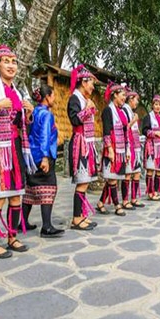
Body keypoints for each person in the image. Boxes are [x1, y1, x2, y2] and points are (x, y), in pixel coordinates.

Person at [0, 45, 36, 258]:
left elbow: (22, 124)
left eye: (14, 62)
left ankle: (12, 237)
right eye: (6, 61)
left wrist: (27, 113)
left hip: (16, 146)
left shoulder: (18, 93)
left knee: (16, 197)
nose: (11, 66)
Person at [22, 84, 64, 237]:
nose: (54, 99)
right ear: (47, 97)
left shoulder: (33, 113)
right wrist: (45, 157)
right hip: (42, 155)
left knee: (31, 189)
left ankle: (23, 221)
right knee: (49, 187)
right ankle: (46, 226)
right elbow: (45, 136)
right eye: (53, 96)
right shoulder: (46, 115)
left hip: (31, 156)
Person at [67, 64, 99, 230]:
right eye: (91, 83)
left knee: (85, 182)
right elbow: (74, 120)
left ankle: (81, 215)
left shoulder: (85, 99)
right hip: (80, 144)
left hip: (87, 143)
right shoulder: (74, 99)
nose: (93, 86)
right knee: (82, 182)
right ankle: (76, 218)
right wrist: (87, 110)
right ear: (83, 82)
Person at [96, 82, 129, 216]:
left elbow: (125, 130)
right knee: (113, 178)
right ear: (114, 95)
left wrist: (126, 150)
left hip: (121, 149)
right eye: (122, 95)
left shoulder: (121, 112)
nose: (124, 98)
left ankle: (100, 203)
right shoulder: (108, 111)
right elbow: (106, 132)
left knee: (111, 178)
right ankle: (117, 205)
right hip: (113, 148)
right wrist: (109, 149)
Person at [142, 95, 160, 201]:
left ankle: (155, 191)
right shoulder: (148, 117)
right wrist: (155, 133)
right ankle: (150, 192)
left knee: (159, 171)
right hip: (151, 147)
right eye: (156, 104)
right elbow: (144, 131)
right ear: (152, 105)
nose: (158, 107)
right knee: (150, 170)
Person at [122, 88, 145, 208]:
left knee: (136, 172)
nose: (137, 103)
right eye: (136, 100)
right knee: (128, 174)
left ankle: (134, 198)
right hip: (129, 146)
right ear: (130, 99)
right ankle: (125, 200)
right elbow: (124, 128)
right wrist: (134, 120)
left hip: (135, 147)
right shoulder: (125, 110)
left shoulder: (130, 111)